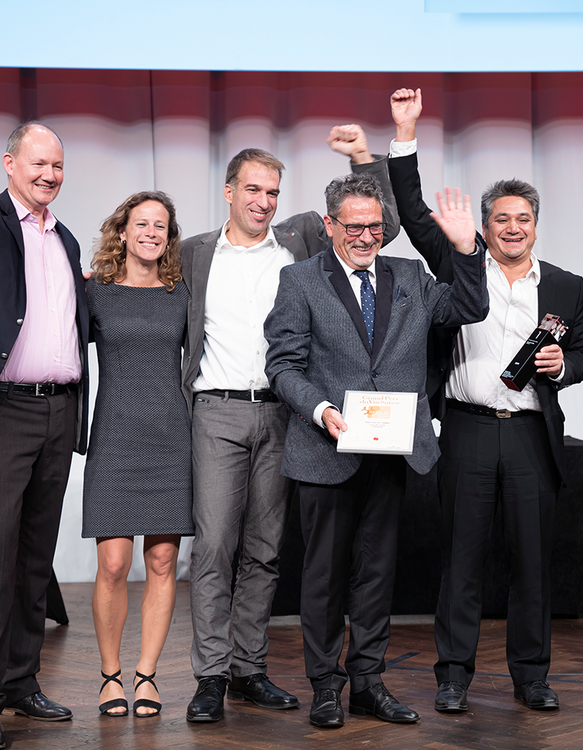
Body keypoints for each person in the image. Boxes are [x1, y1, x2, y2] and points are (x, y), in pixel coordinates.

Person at [181, 126, 400, 723]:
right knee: (214, 548)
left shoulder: (301, 238)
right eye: (253, 190)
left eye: (273, 192)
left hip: (288, 412)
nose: (264, 201)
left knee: (265, 549)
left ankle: (247, 669)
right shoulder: (194, 252)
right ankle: (210, 676)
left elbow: (380, 223)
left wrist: (363, 158)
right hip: (218, 410)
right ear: (229, 191)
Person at [388, 88, 583, 714]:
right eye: (501, 218)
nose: (512, 228)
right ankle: (453, 676)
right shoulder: (458, 265)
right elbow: (412, 211)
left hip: (532, 434)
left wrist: (565, 367)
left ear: (536, 224)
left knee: (533, 561)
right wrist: (405, 134)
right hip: (468, 431)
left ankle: (532, 676)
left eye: (522, 218)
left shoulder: (565, 286)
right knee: (462, 559)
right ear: (483, 226)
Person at [264, 171, 489, 728]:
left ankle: (368, 683)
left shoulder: (410, 275)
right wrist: (321, 410)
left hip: (390, 454)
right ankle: (325, 685)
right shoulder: (299, 280)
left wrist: (466, 249)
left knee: (377, 574)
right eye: (355, 227)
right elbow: (283, 366)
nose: (367, 236)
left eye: (375, 227)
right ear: (329, 224)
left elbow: (469, 306)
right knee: (324, 576)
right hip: (326, 451)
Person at [0, 84, 89, 749]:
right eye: (38, 163)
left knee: (35, 559)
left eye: (58, 166)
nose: (49, 174)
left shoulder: (64, 238)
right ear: (9, 164)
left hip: (58, 414)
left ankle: (19, 680)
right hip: (0, 415)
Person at [82, 192, 193, 718]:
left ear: (169, 238)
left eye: (160, 226)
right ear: (123, 231)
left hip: (170, 440)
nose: (151, 232)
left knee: (163, 561)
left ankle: (146, 675)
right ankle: (110, 675)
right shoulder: (95, 292)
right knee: (113, 564)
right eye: (141, 223)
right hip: (114, 438)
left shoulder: (181, 293)